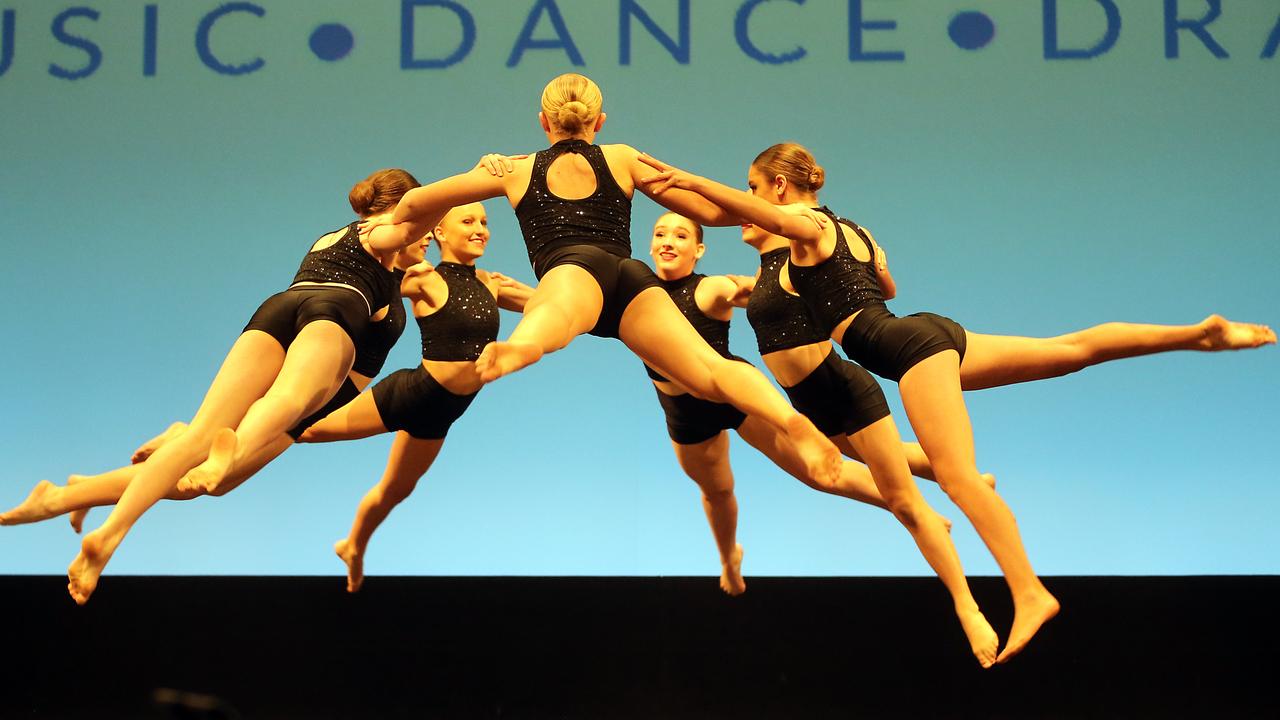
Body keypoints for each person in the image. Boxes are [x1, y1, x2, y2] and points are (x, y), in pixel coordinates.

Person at [636, 142, 1275, 664]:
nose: (749, 199)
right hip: (928, 332)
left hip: (904, 352)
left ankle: (1028, 592)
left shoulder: (804, 225)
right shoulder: (851, 231)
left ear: (776, 187)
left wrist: (683, 177)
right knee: (1070, 349)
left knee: (959, 476)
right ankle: (1196, 334)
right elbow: (884, 281)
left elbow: (763, 223)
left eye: (754, 186)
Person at [370, 74, 843, 493]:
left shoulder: (515, 169)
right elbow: (717, 215)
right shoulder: (621, 157)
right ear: (599, 122)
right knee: (711, 369)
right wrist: (766, 208)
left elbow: (415, 201)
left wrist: (402, 224)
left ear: (543, 122)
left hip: (575, 270)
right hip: (629, 276)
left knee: (551, 316)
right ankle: (790, 420)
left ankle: (519, 349)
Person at [64, 168, 441, 604]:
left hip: (282, 305)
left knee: (202, 433)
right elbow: (407, 225)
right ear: (406, 206)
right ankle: (226, 457)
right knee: (292, 398)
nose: (428, 232)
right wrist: (482, 181)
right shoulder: (379, 233)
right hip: (335, 307)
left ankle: (108, 536)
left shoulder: (336, 239)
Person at [644, 214, 1001, 666]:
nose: (668, 242)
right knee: (720, 491)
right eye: (660, 234)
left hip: (739, 393)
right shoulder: (640, 293)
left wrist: (867, 271)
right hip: (684, 412)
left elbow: (746, 288)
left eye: (681, 236)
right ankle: (730, 557)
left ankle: (951, 555)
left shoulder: (713, 287)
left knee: (828, 473)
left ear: (699, 250)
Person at [0, 234, 423, 532]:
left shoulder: (409, 276)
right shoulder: (380, 259)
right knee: (207, 469)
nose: (426, 242)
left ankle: (66, 495)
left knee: (204, 485)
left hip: (316, 409)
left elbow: (464, 288)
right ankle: (180, 438)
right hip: (306, 392)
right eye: (426, 232)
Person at [296, 202, 533, 593]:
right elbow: (374, 279)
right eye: (468, 221)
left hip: (443, 413)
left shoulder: (492, 283)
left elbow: (551, 305)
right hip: (411, 394)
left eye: (485, 223)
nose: (480, 229)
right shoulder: (423, 277)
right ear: (439, 232)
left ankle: (352, 545)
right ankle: (209, 436)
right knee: (303, 428)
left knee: (397, 489)